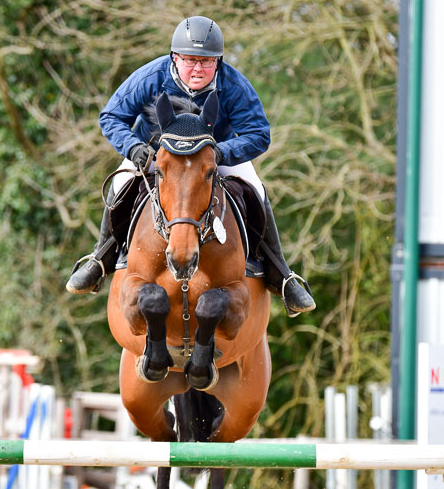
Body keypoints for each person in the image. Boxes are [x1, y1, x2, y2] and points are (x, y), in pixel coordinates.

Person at [66, 16, 315, 317]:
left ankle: (282, 274)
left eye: (206, 62)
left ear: (218, 62)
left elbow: (259, 134)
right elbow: (111, 117)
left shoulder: (232, 84)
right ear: (175, 57)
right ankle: (100, 259)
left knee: (256, 189)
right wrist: (134, 148)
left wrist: (222, 153)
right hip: (157, 158)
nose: (198, 68)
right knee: (121, 184)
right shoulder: (151, 77)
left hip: (213, 159)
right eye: (190, 60)